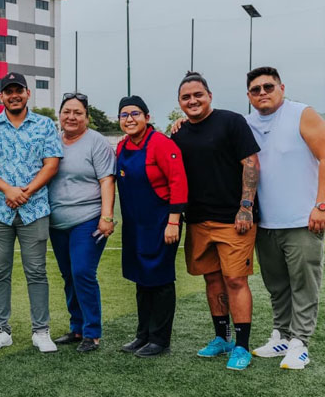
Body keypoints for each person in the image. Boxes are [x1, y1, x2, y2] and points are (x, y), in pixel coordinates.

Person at [172, 71, 260, 370]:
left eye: (198, 95)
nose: (193, 100)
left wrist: (245, 206)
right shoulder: (179, 133)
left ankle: (242, 345)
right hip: (198, 219)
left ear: (209, 96)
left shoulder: (232, 121)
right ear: (180, 102)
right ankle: (222, 338)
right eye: (186, 97)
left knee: (235, 279)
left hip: (234, 219)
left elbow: (250, 163)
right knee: (212, 278)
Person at [0, 72, 61, 353]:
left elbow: (51, 164)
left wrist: (26, 192)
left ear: (27, 93)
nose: (14, 96)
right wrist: (8, 190)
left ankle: (41, 331)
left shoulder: (45, 125)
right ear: (1, 96)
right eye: (8, 91)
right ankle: (1, 330)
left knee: (36, 272)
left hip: (34, 210)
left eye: (18, 90)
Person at [244, 67, 325, 369]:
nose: (262, 93)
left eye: (268, 86)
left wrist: (321, 204)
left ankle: (300, 343)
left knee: (304, 284)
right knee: (277, 285)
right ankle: (281, 335)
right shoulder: (247, 123)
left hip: (302, 220)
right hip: (266, 223)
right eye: (256, 89)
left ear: (281, 88)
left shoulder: (302, 113)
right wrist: (181, 122)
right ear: (249, 96)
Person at [116, 95, 188, 358]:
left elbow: (178, 182)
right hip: (135, 225)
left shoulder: (161, 143)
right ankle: (143, 335)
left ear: (147, 117)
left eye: (135, 113)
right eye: (124, 115)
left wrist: (173, 222)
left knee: (160, 280)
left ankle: (160, 339)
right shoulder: (122, 146)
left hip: (161, 223)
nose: (130, 119)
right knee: (141, 279)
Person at [48, 92, 116, 353]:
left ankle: (92, 332)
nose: (71, 117)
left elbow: (107, 180)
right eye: (67, 111)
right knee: (68, 276)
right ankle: (76, 327)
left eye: (78, 112)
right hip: (57, 222)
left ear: (87, 117)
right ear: (59, 115)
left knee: (82, 273)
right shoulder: (53, 141)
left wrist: (106, 217)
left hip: (87, 219)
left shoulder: (96, 142)